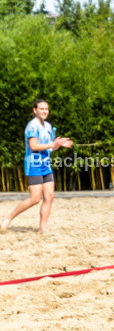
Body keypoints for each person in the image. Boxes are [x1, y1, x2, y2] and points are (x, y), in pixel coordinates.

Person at [1, 99, 73, 234]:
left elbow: (50, 147)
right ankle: (8, 218)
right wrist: (53, 144)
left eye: (46, 109)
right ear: (35, 110)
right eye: (41, 109)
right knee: (35, 198)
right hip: (34, 165)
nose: (45, 111)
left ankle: (42, 228)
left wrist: (59, 144)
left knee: (50, 196)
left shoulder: (48, 126)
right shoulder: (32, 126)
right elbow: (33, 146)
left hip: (46, 164)